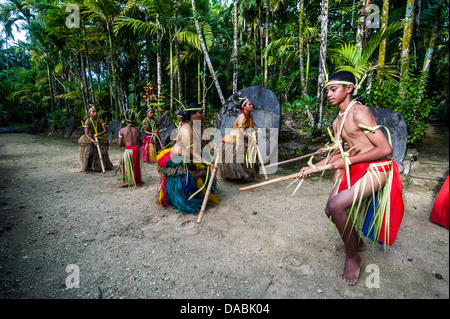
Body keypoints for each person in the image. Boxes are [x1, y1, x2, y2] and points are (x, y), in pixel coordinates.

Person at [298, 71, 404, 286]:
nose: (328, 93)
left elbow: (385, 149)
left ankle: (353, 256)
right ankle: (357, 243)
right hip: (355, 165)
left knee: (337, 205)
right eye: (327, 89)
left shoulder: (360, 113)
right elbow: (341, 151)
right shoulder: (338, 121)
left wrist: (346, 162)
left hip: (377, 167)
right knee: (330, 210)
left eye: (333, 89)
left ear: (349, 88)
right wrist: (312, 167)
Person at [156, 102, 219, 215]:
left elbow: (207, 139)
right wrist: (208, 163)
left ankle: (196, 191)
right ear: (192, 115)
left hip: (192, 154)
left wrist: (215, 147)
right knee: (199, 166)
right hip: (182, 156)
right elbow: (191, 152)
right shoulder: (186, 129)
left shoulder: (198, 125)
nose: (203, 114)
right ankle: (184, 195)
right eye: (200, 112)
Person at [219, 98, 259, 181]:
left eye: (252, 104)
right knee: (244, 150)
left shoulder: (249, 116)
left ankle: (248, 173)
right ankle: (237, 174)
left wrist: (253, 137)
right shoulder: (242, 117)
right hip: (234, 140)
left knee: (250, 150)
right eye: (249, 105)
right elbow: (242, 132)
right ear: (244, 107)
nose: (252, 106)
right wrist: (251, 139)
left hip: (242, 139)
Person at [78, 106, 113, 172]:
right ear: (89, 114)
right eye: (93, 112)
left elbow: (105, 130)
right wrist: (92, 140)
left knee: (103, 152)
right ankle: (89, 166)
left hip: (100, 138)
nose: (95, 113)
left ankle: (100, 165)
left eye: (96, 112)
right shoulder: (87, 121)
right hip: (89, 139)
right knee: (90, 152)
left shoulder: (100, 120)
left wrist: (99, 134)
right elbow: (86, 133)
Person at [118, 110, 147, 187]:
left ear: (125, 120)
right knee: (136, 163)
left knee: (122, 163)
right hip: (136, 151)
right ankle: (138, 179)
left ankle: (125, 180)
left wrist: (126, 144)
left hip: (128, 151)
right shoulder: (137, 130)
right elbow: (141, 143)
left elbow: (119, 143)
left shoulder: (122, 130)